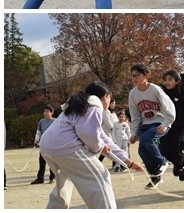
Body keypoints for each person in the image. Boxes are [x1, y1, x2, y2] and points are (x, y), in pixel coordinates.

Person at [39, 81, 143, 209]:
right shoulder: (94, 104)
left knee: (63, 185)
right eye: (109, 97)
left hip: (47, 147)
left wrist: (129, 162)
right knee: (100, 176)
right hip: (66, 146)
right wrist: (100, 147)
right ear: (105, 96)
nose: (110, 102)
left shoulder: (81, 104)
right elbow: (88, 134)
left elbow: (104, 139)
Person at [128, 63, 176, 189]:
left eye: (137, 75)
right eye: (133, 76)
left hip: (160, 123)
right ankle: (155, 176)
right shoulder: (133, 94)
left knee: (146, 139)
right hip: (146, 124)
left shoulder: (155, 90)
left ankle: (162, 161)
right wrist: (133, 133)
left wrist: (166, 124)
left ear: (146, 75)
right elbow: (135, 116)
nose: (134, 78)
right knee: (141, 150)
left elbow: (170, 107)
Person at [159, 70, 184, 181]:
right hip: (166, 124)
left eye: (170, 79)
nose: (167, 82)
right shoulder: (162, 94)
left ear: (176, 81)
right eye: (165, 80)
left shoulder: (181, 93)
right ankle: (176, 164)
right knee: (164, 149)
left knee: (177, 146)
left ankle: (182, 166)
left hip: (179, 125)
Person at [31, 105, 56, 185]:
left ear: (52, 113)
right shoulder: (41, 121)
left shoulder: (56, 121)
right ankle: (40, 178)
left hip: (52, 145)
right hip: (43, 144)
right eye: (44, 111)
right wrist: (36, 140)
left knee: (52, 162)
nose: (45, 113)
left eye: (47, 111)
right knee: (42, 162)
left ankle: (52, 177)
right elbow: (38, 132)